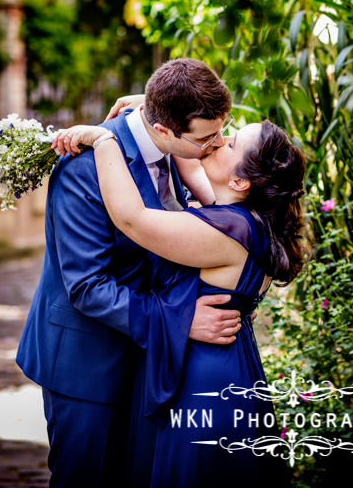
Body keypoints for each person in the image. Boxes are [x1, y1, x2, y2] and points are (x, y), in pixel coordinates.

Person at [16, 58, 243, 487]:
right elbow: (87, 286)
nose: (218, 145)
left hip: (147, 358)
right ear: (163, 131)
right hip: (87, 364)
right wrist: (180, 320)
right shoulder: (86, 166)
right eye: (208, 139)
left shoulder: (184, 142)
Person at [52, 118, 306, 487]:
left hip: (202, 378)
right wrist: (153, 111)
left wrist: (104, 140)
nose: (220, 141)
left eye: (232, 143)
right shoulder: (246, 218)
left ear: (240, 182)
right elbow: (188, 156)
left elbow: (133, 220)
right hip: (228, 365)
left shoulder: (226, 230)